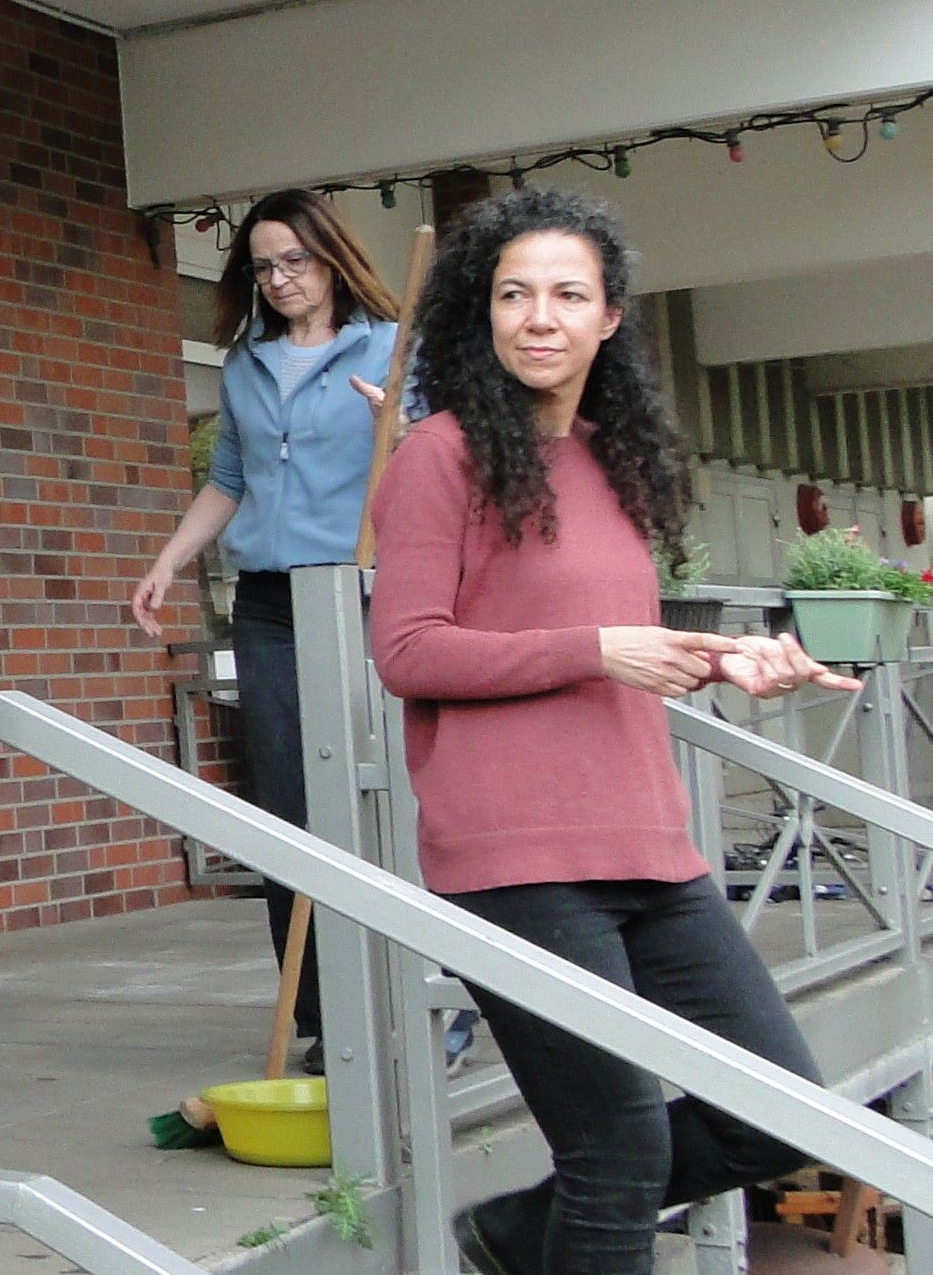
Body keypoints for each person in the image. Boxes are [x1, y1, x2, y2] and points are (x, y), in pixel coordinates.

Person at [367, 188, 855, 1275]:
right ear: (480, 313)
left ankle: (508, 1235)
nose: (538, 316)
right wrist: (595, 648)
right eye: (513, 294)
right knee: (617, 1148)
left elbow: (625, 639)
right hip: (515, 857)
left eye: (566, 294)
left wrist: (732, 661)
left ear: (610, 318)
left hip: (648, 843)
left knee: (781, 1116)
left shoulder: (614, 461)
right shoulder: (438, 458)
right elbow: (406, 651)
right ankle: (525, 1236)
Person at [129, 189, 403, 1071]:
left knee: (379, 799)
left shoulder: (393, 351)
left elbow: (450, 463)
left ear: (333, 259)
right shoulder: (246, 364)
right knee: (288, 807)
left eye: (297, 260)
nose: (281, 280)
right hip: (270, 606)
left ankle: (413, 996)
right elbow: (231, 480)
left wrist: (393, 427)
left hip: (363, 595)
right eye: (263, 266)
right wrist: (169, 560)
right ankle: (321, 1014)